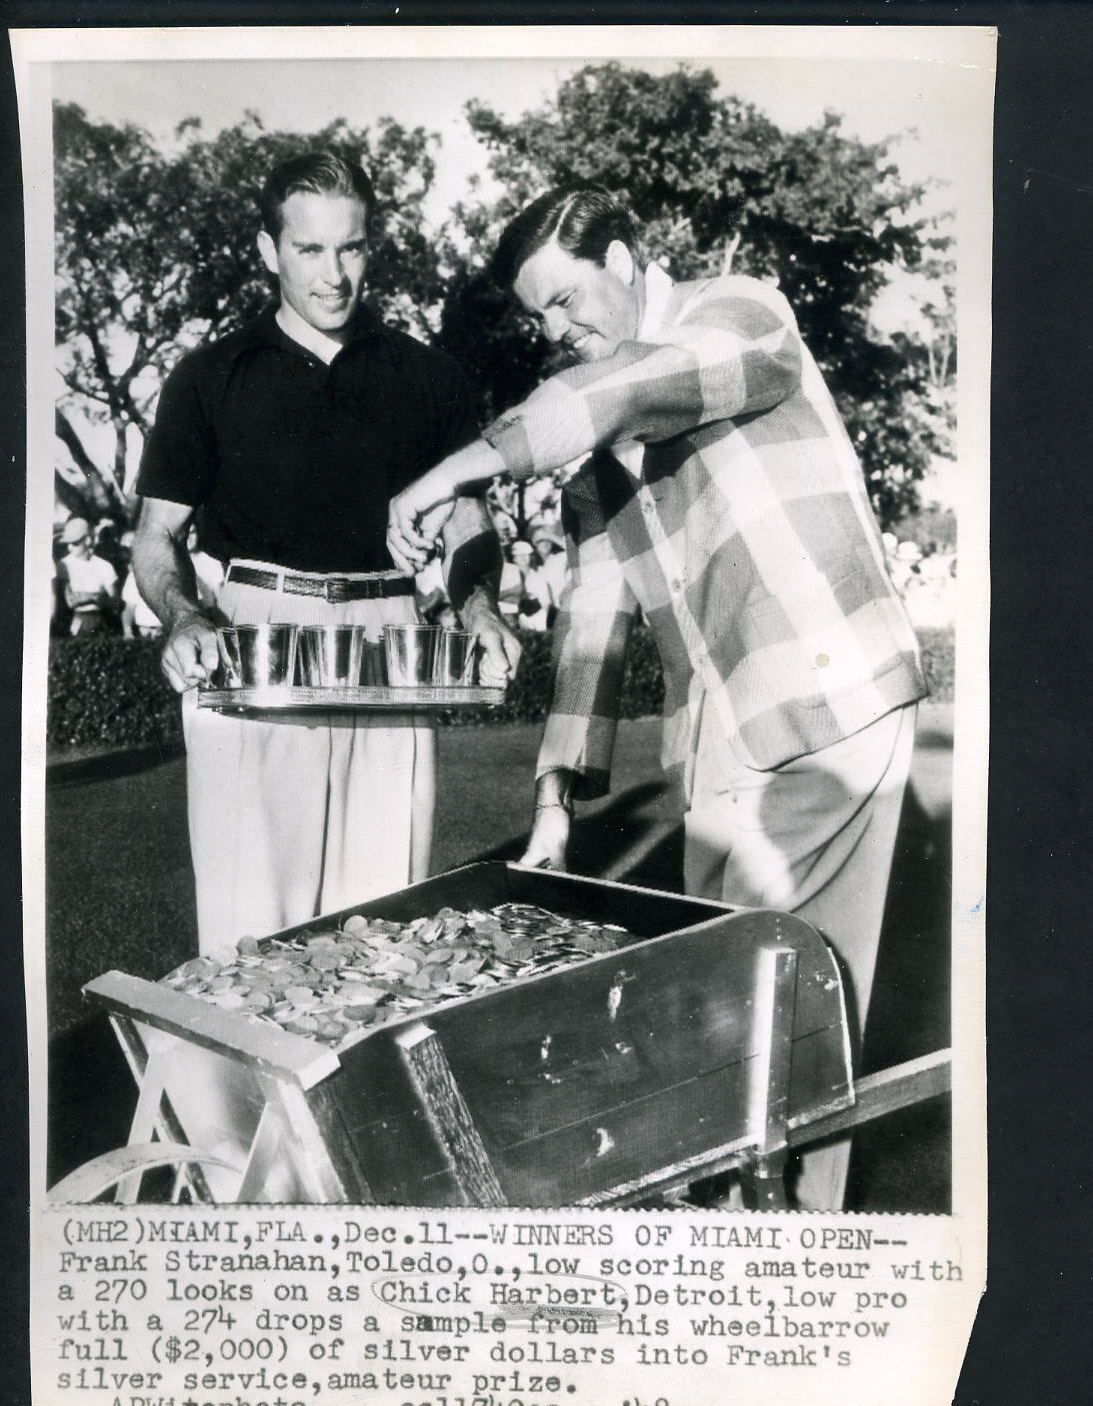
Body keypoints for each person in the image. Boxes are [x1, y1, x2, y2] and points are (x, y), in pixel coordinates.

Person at [387, 184, 928, 1211]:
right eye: (539, 316)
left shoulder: (739, 314)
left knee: (780, 1019)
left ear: (628, 260)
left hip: (826, 709)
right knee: (725, 1022)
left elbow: (633, 388)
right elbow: (594, 625)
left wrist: (445, 474)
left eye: (568, 299)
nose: (558, 330)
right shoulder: (595, 444)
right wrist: (553, 804)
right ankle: (746, 1242)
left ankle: (789, 1262)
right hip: (719, 745)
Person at [134, 151, 518, 953]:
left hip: (390, 639)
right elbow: (157, 537)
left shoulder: (430, 378)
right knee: (251, 937)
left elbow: (467, 525)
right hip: (254, 638)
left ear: (371, 245)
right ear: (270, 251)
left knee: (385, 935)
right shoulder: (210, 378)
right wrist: (181, 617)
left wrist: (479, 605)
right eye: (310, 249)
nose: (334, 273)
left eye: (351, 247)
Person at [56, 515, 121, 636]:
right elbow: (69, 601)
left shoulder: (105, 566)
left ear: (87, 540)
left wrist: (92, 597)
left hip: (101, 622)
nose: (69, 547)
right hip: (72, 622)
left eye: (74, 543)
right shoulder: (63, 565)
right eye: (68, 543)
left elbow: (116, 603)